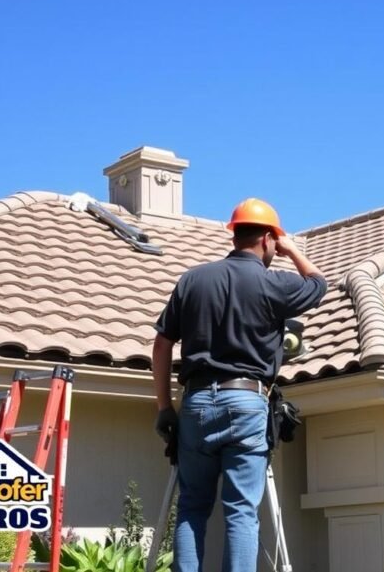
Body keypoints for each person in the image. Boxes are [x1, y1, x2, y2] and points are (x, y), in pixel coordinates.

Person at [151, 198, 327, 572]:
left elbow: (162, 344)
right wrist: (292, 248)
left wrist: (165, 407)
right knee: (241, 512)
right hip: (247, 401)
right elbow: (317, 284)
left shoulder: (193, 280)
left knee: (192, 507)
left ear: (234, 234)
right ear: (267, 239)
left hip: (196, 403)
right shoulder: (273, 283)